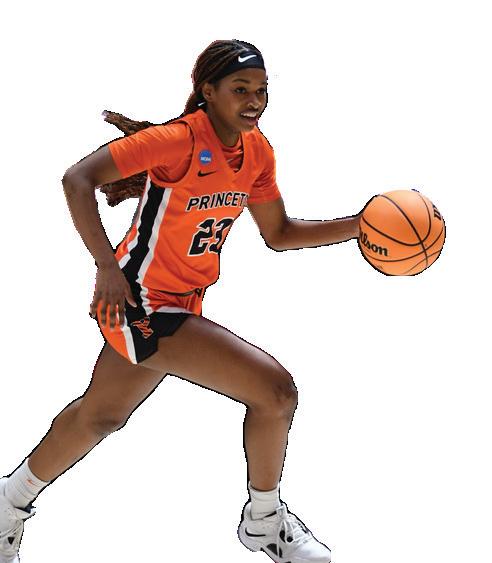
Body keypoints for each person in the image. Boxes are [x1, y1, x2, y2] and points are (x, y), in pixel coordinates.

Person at [0, 39, 361, 563]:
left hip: (181, 302)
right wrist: (106, 267)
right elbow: (77, 179)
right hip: (138, 302)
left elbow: (279, 233)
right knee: (276, 392)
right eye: (240, 89)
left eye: (262, 90)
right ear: (208, 91)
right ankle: (264, 521)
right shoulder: (177, 140)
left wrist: (359, 226)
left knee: (99, 417)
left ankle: (7, 504)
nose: (254, 101)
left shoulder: (257, 152)